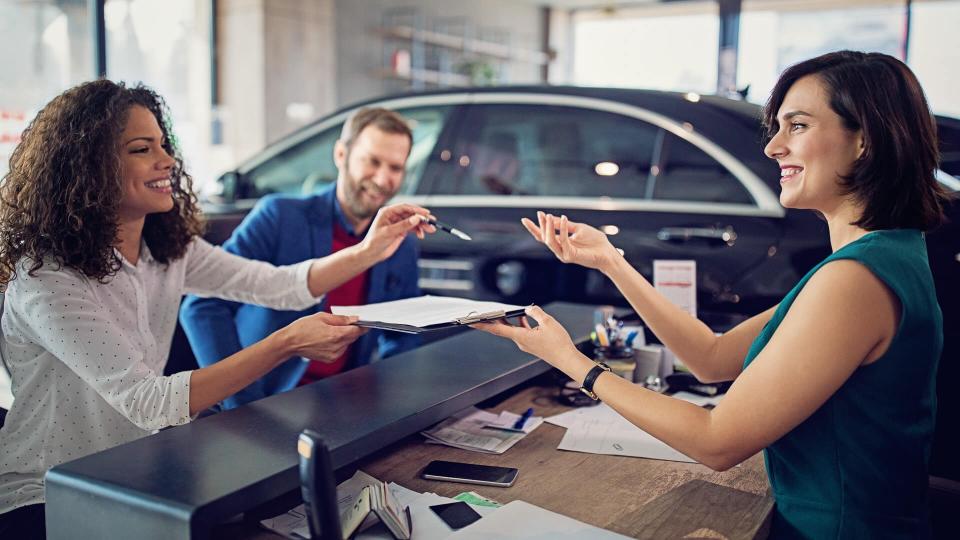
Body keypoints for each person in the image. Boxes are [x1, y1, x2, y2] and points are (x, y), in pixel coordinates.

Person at [477, 50, 948, 539]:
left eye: (798, 126)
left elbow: (716, 442)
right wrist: (612, 261)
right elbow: (712, 357)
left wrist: (572, 362)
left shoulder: (854, 281)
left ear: (864, 140)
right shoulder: (885, 256)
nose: (773, 148)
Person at [0, 80, 434, 539]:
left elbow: (277, 284)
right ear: (87, 165)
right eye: (141, 149)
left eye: (164, 145)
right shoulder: (46, 280)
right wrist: (286, 343)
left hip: (132, 474)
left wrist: (369, 250)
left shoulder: (167, 250)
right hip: (47, 494)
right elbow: (151, 403)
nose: (167, 160)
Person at [179, 107, 422, 410]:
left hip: (343, 401)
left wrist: (387, 398)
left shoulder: (401, 243)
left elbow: (402, 332)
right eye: (372, 161)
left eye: (395, 168)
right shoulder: (280, 216)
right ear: (341, 155)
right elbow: (201, 306)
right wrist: (240, 401)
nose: (383, 178)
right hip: (264, 399)